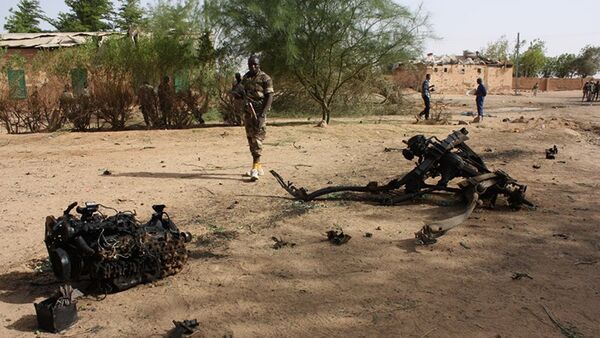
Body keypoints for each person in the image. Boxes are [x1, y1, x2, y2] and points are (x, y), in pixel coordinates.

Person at [241, 55, 274, 181]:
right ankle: (258, 167)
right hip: (248, 113)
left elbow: (269, 97)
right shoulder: (246, 77)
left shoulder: (265, 78)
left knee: (258, 139)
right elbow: (242, 93)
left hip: (259, 113)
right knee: (250, 139)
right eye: (250, 64)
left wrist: (262, 115)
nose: (253, 67)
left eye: (255, 64)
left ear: (259, 64)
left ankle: (255, 167)